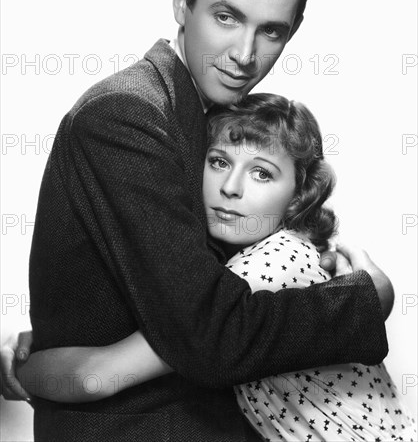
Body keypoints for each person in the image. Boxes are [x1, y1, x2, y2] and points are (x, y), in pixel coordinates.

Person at [1, 0, 392, 442]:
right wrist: (366, 300)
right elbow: (208, 335)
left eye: (271, 30)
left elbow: (168, 299)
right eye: (227, 16)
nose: (245, 55)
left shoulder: (206, 122)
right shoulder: (129, 114)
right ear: (182, 3)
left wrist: (40, 348)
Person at [15, 94, 415, 441]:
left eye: (261, 172)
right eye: (219, 161)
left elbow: (97, 376)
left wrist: (17, 370)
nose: (231, 187)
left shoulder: (271, 266)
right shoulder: (244, 263)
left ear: (298, 196)